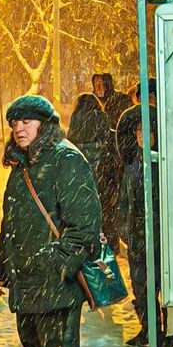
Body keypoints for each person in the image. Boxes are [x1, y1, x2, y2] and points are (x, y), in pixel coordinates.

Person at [0, 93, 102, 347]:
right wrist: (0, 266)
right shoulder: (22, 165)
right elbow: (12, 223)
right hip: (27, 279)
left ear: (44, 125)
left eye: (27, 122)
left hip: (56, 281)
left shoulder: (66, 161)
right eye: (15, 123)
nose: (19, 128)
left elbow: (83, 228)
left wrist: (54, 263)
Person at [117, 101, 173, 347]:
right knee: (142, 295)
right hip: (139, 244)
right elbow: (123, 204)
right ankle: (153, 339)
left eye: (147, 131)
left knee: (160, 295)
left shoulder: (161, 166)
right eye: (138, 131)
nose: (141, 136)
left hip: (158, 243)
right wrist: (125, 231)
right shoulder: (133, 166)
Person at [67, 92, 121, 255]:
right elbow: (117, 165)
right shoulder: (109, 134)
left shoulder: (73, 138)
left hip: (82, 194)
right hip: (106, 190)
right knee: (107, 232)